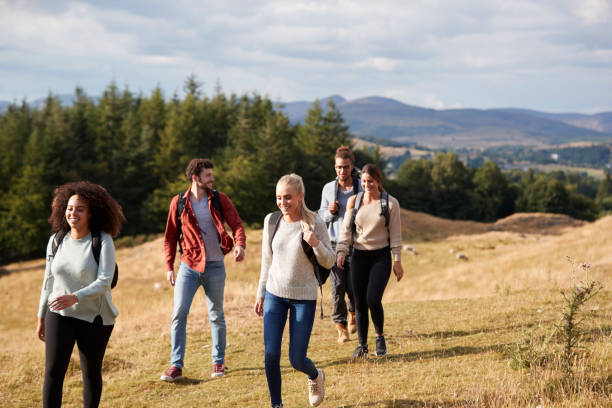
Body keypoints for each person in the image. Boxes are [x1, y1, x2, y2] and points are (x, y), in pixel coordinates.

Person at [36, 181, 125, 408]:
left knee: (91, 373)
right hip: (59, 313)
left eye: (80, 209)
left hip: (94, 318)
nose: (72, 213)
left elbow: (104, 282)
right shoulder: (56, 240)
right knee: (53, 373)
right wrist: (41, 315)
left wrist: (75, 296)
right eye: (69, 208)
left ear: (91, 213)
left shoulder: (102, 241)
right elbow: (48, 281)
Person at [161, 158, 246, 382]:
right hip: (188, 267)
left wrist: (240, 244)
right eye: (208, 175)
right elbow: (169, 236)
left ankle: (218, 363)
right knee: (179, 314)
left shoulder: (219, 198)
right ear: (196, 178)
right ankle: (176, 366)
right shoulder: (178, 202)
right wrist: (169, 266)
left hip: (216, 267)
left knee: (216, 315)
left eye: (212, 174)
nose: (212, 179)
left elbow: (236, 224)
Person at [254, 174, 335, 408]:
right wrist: (260, 293)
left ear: (300, 196)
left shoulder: (315, 222)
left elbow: (329, 261)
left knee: (297, 359)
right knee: (270, 355)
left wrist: (315, 243)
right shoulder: (272, 221)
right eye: (279, 197)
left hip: (304, 298)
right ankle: (276, 404)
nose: (283, 202)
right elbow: (266, 261)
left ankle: (315, 375)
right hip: (274, 294)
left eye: (288, 197)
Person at [336, 164, 404, 359]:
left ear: (378, 181)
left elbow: (396, 236)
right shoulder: (354, 202)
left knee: (373, 298)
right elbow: (346, 230)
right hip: (358, 256)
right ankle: (362, 346)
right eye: (364, 181)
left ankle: (380, 337)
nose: (367, 185)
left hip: (380, 257)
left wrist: (397, 261)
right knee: (359, 303)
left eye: (371, 181)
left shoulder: (390, 204)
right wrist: (341, 251)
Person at [319, 145, 361, 343]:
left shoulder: (362, 187)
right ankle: (341, 326)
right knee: (337, 288)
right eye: (338, 167)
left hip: (357, 244)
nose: (341, 171)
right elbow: (321, 217)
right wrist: (330, 211)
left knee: (354, 287)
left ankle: (354, 313)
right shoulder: (329, 189)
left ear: (352, 167)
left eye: (345, 167)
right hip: (334, 244)